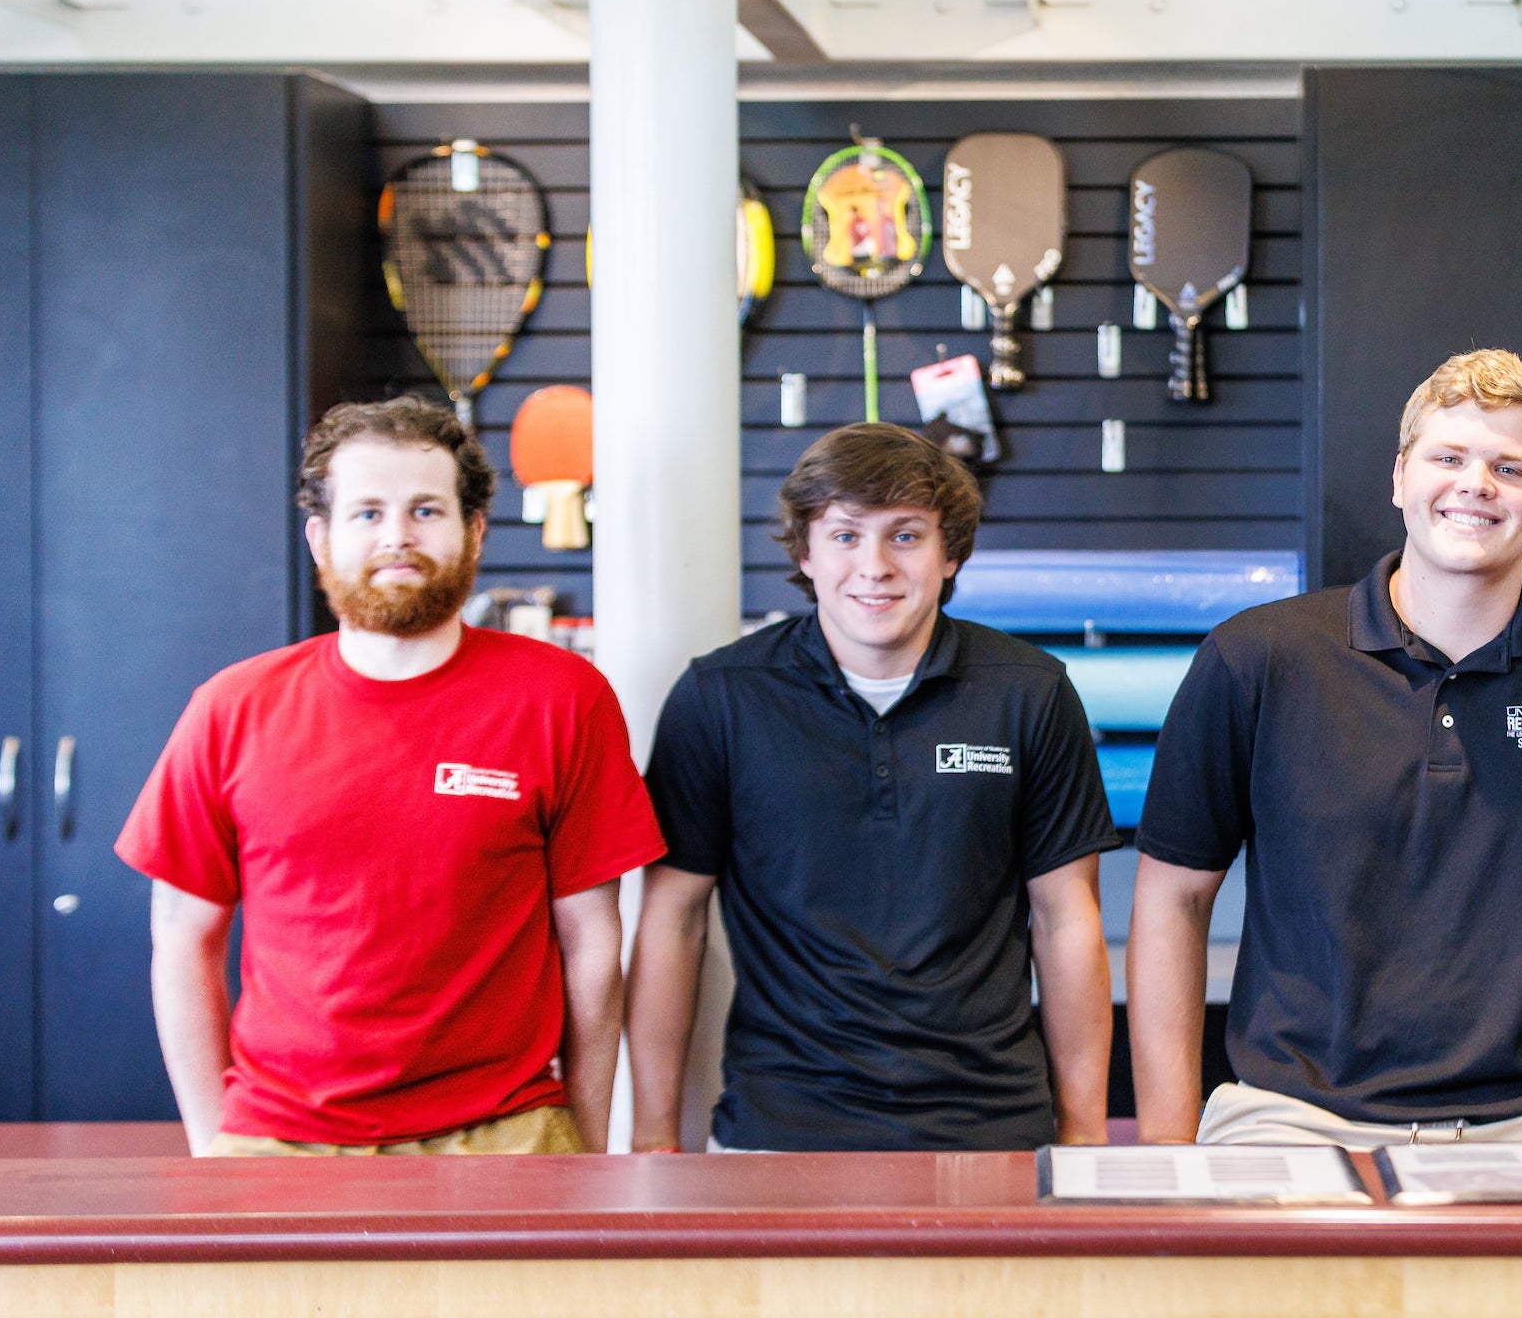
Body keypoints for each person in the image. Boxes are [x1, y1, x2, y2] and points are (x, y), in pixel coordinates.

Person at [1127, 349, 1522, 1149]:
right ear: (1400, 477)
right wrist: (1168, 1158)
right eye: (1448, 457)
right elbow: (1172, 898)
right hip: (1290, 1122)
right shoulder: (1256, 659)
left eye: (1509, 467)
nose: (1475, 483)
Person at [116, 397, 665, 1156]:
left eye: (426, 510)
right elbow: (181, 937)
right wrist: (213, 1146)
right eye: (367, 512)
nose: (397, 536)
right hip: (282, 1140)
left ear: (473, 531)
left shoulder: (563, 700)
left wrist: (587, 1146)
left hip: (508, 1133)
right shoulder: (230, 708)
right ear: (321, 537)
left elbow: (594, 946)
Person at [627, 422, 1120, 1152]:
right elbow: (673, 920)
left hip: (990, 1127)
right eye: (847, 535)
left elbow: (1067, 921)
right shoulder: (721, 697)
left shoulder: (1030, 692)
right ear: (805, 551)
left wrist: (1084, 1134)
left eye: (906, 535)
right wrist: (653, 1138)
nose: (875, 565)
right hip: (780, 1130)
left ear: (950, 553)